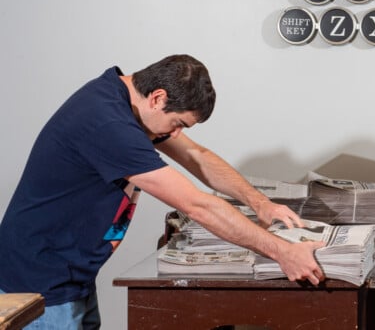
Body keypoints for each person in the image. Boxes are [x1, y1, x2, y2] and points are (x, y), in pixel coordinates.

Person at [0, 55, 325, 329]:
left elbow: (197, 156)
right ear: (157, 97)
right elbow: (198, 206)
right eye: (178, 123)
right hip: (39, 284)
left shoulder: (126, 103)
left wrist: (261, 203)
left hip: (71, 275)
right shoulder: (107, 125)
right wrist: (283, 252)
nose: (177, 134)